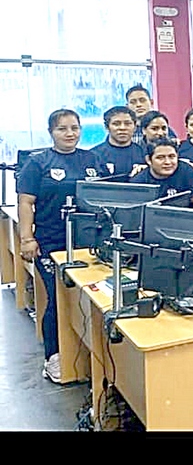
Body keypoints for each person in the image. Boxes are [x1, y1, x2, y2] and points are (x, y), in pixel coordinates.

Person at [17, 109, 104, 383]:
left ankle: (90, 355)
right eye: (62, 129)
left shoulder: (92, 160)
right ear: (51, 132)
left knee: (91, 298)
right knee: (57, 298)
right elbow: (26, 202)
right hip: (51, 242)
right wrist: (27, 239)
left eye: (74, 128)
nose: (69, 133)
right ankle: (53, 356)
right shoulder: (38, 163)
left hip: (87, 242)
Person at [131, 137, 193, 209]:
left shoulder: (186, 171)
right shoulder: (138, 182)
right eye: (160, 158)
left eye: (172, 156)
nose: (167, 162)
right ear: (148, 160)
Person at [90, 106, 145, 179]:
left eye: (127, 123)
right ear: (107, 127)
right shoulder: (93, 155)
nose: (122, 128)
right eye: (116, 124)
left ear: (135, 127)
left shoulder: (143, 153)